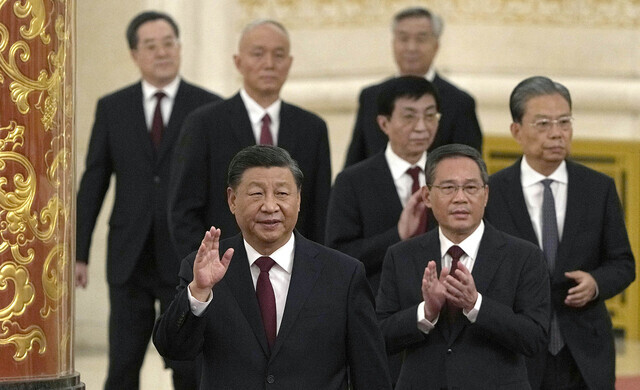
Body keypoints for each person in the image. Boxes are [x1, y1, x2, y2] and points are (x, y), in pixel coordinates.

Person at [153, 145, 392, 389]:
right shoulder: (203, 269)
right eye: (257, 194)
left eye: (281, 194)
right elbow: (173, 349)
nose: (270, 206)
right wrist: (198, 293)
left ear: (298, 200)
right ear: (233, 200)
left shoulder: (344, 274)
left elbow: (370, 373)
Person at [75, 11, 221, 390]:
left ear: (180, 48)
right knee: (123, 365)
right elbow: (94, 181)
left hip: (186, 256)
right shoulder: (113, 107)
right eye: (151, 46)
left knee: (189, 368)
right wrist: (80, 251)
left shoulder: (208, 108)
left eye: (169, 43)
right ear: (134, 54)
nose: (162, 53)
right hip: (130, 257)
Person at [484, 76, 636, 390]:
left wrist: (595, 284)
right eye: (543, 123)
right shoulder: (492, 193)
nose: (557, 133)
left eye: (564, 122)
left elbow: (623, 263)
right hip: (515, 350)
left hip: (584, 351)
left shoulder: (598, 188)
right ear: (516, 131)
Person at [376, 144, 550, 389]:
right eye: (448, 188)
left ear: (486, 194)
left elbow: (535, 338)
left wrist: (476, 305)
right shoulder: (401, 256)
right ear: (427, 196)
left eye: (470, 188)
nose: (460, 198)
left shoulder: (524, 256)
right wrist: (426, 312)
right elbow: (379, 336)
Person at [168, 19, 330, 259]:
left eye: (278, 55)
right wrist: (204, 265)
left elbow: (320, 211)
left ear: (289, 63)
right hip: (222, 267)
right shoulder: (205, 123)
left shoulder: (312, 128)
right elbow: (183, 210)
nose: (269, 64)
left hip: (294, 273)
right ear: (238, 62)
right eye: (258, 54)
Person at [344, 6, 482, 168]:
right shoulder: (370, 97)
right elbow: (354, 163)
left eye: (421, 39)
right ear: (393, 43)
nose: (411, 47)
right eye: (403, 39)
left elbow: (470, 170)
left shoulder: (460, 102)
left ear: (436, 45)